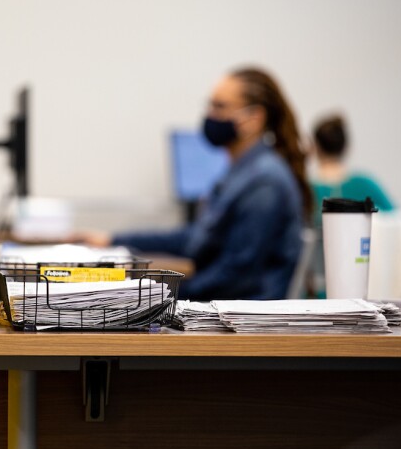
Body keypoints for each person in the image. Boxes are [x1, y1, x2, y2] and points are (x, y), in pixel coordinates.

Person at [87, 67, 310, 300]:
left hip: (244, 321)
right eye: (210, 105)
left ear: (253, 119)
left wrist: (161, 296)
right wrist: (115, 240)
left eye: (220, 107)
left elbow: (237, 276)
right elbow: (195, 239)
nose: (210, 115)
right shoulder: (243, 173)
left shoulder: (265, 183)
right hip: (226, 308)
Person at [310, 114, 395, 215]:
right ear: (346, 147)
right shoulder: (365, 184)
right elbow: (395, 218)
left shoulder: (308, 190)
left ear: (315, 147)